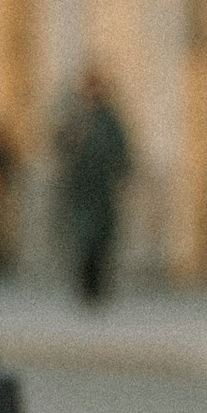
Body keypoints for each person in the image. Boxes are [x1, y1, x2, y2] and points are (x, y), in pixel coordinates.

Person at [56, 64, 132, 305]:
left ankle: (99, 289)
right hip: (81, 191)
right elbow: (61, 145)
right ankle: (85, 289)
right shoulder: (75, 116)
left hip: (102, 191)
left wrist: (119, 172)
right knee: (83, 240)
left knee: (102, 241)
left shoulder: (108, 119)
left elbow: (121, 152)